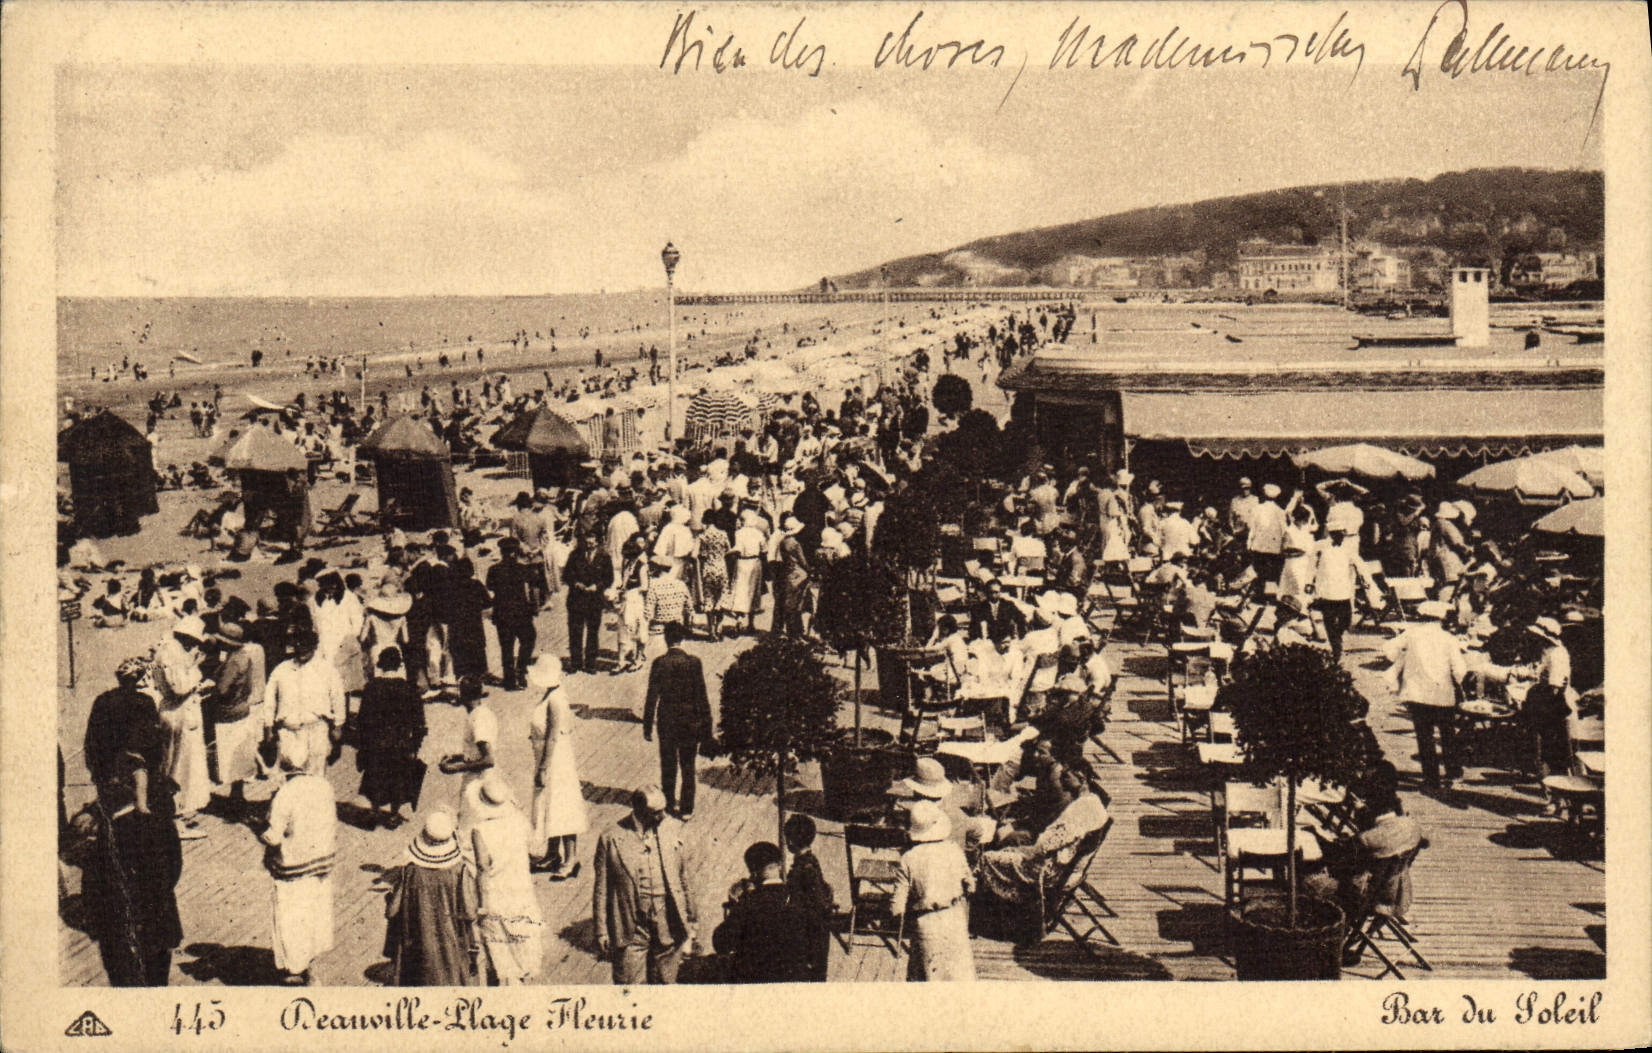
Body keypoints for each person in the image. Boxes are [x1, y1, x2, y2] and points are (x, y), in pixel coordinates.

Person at [78, 657, 184, 985]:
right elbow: (173, 867)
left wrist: (103, 776)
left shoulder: (102, 702)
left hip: (119, 933)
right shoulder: (144, 704)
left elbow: (91, 746)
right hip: (157, 926)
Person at [592, 786, 699, 985]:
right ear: (639, 810)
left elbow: (684, 877)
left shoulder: (673, 829)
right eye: (656, 812)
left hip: (667, 920)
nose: (663, 816)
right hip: (630, 925)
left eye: (663, 810)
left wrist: (692, 918)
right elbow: (601, 888)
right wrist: (601, 930)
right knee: (629, 985)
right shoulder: (612, 837)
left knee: (666, 983)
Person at [978, 767, 1107, 927]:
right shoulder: (1093, 802)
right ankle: (1011, 911)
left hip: (1049, 871)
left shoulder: (1079, 809)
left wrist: (1025, 850)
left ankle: (1000, 916)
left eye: (1066, 777)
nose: (1061, 781)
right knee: (1007, 850)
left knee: (987, 857)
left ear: (1081, 778)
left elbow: (1047, 845)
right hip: (1068, 868)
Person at [262, 735, 337, 985]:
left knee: (292, 916)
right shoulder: (324, 786)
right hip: (321, 861)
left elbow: (273, 837)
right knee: (315, 911)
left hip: (292, 865)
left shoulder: (285, 794)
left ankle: (295, 968)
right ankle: (310, 960)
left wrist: (263, 830)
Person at [383, 808, 479, 986]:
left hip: (417, 946)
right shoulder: (460, 871)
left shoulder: (410, 871)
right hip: (450, 945)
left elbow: (391, 911)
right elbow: (470, 913)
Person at [1384, 601, 1469, 792]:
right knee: (1447, 735)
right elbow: (1459, 669)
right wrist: (1462, 687)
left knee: (1424, 737)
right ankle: (1453, 774)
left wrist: (1402, 658)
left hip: (1417, 693)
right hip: (1442, 693)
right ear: (1441, 619)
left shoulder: (1412, 634)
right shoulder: (1449, 638)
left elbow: (1388, 650)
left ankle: (1431, 779)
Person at [468, 772, 543, 985]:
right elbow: (538, 852)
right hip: (521, 891)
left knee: (498, 956)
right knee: (522, 950)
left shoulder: (479, 830)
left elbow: (482, 868)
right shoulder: (519, 822)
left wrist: (481, 906)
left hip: (495, 895)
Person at [891, 800, 977, 981]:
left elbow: (896, 908)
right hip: (954, 920)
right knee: (960, 978)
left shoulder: (908, 858)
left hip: (925, 925)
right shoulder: (954, 851)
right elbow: (971, 885)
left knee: (927, 982)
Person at [146, 615, 213, 837]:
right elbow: (180, 687)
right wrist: (196, 668)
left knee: (183, 764)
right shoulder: (171, 654)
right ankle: (175, 816)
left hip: (180, 712)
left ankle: (180, 811)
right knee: (179, 767)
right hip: (178, 714)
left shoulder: (169, 650)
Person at [712, 841, 815, 983]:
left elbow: (722, 944)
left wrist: (736, 906)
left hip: (755, 980)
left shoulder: (748, 902)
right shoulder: (799, 896)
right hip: (795, 980)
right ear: (779, 865)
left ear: (753, 873)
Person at [526, 655, 589, 879]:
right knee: (549, 806)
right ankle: (553, 853)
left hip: (555, 760)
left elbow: (553, 736)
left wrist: (543, 767)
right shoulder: (551, 695)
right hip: (546, 755)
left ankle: (571, 859)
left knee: (563, 807)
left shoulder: (556, 700)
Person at [643, 622, 713, 819]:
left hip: (667, 722)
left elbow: (651, 697)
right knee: (688, 766)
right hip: (690, 723)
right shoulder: (694, 662)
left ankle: (667, 803)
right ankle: (687, 809)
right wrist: (707, 729)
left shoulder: (659, 663)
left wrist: (647, 725)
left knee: (668, 765)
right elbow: (702, 697)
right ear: (682, 639)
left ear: (666, 639)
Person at [354, 647, 427, 827]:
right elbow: (419, 723)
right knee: (398, 779)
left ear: (381, 666)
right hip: (400, 743)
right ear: (399, 665)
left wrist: (362, 745)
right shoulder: (409, 689)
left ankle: (374, 811)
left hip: (376, 742)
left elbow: (362, 720)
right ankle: (394, 814)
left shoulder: (371, 688)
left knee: (375, 776)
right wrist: (414, 745)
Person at [263, 627, 345, 778]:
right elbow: (269, 699)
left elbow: (338, 698)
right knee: (289, 778)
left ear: (314, 647)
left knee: (315, 778)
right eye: (298, 646)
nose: (301, 650)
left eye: (306, 646)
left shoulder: (327, 670)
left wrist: (338, 725)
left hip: (316, 730)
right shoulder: (281, 670)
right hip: (288, 732)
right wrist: (268, 726)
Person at [204, 620, 266, 819]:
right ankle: (237, 797)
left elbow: (222, 689)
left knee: (229, 758)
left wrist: (210, 687)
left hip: (228, 712)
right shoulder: (244, 656)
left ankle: (235, 802)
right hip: (242, 708)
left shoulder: (232, 661)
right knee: (240, 757)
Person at [1519, 616, 1574, 813]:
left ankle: (1556, 798)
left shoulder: (1557, 655)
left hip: (1550, 711)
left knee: (1548, 755)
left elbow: (1555, 688)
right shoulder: (1549, 653)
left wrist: (1537, 701)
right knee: (1543, 755)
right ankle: (1554, 797)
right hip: (1545, 709)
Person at [1306, 516, 1376, 662]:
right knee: (1329, 621)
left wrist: (1367, 581)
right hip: (1326, 591)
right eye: (1338, 534)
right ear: (1332, 533)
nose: (1341, 537)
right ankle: (1336, 649)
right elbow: (1311, 565)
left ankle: (1336, 638)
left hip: (1343, 590)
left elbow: (1360, 564)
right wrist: (1308, 582)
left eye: (1343, 534)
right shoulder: (1319, 546)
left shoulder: (1348, 548)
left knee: (1346, 620)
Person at [782, 814, 834, 982]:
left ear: (790, 842)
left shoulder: (803, 870)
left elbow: (806, 906)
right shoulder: (812, 861)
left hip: (810, 936)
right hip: (817, 934)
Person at [486, 537, 541, 691]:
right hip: (521, 613)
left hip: (502, 614)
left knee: (506, 647)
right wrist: (535, 607)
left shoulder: (493, 570)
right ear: (515, 552)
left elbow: (490, 589)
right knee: (529, 639)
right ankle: (521, 670)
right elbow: (533, 588)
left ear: (502, 552)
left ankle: (510, 681)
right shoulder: (523, 569)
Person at [562, 529, 614, 674]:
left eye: (592, 542)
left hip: (594, 601)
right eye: (587, 542)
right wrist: (576, 583)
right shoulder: (575, 555)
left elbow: (609, 579)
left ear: (597, 542)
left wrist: (597, 586)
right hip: (576, 600)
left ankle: (590, 663)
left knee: (593, 632)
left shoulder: (604, 557)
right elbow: (566, 575)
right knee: (575, 631)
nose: (589, 545)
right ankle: (575, 662)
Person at [642, 552, 694, 660]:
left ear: (656, 569)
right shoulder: (681, 584)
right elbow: (690, 610)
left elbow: (648, 613)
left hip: (658, 633)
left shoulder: (653, 585)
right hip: (677, 634)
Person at [773, 515, 812, 636]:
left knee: (790, 603)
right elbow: (803, 561)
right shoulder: (795, 544)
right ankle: (797, 631)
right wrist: (810, 570)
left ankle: (790, 630)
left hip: (788, 573)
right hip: (798, 574)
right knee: (798, 604)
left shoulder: (783, 541)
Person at [969, 578, 1027, 646]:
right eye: (991, 592)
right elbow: (973, 629)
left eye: (996, 592)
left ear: (1000, 592)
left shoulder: (1008, 605)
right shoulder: (978, 608)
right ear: (986, 592)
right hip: (987, 643)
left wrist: (1019, 638)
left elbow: (1021, 619)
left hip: (1005, 641)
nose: (993, 595)